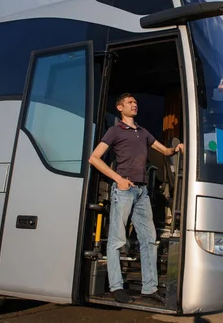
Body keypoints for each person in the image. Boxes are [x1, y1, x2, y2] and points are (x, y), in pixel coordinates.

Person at [88, 93, 184, 304]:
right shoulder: (114, 131)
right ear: (120, 108)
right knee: (117, 240)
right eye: (130, 102)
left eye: (135, 102)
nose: (134, 104)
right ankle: (116, 287)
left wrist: (176, 148)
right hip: (123, 190)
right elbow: (94, 158)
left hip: (142, 192)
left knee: (149, 240)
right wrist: (118, 179)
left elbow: (165, 150)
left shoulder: (143, 132)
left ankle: (149, 288)